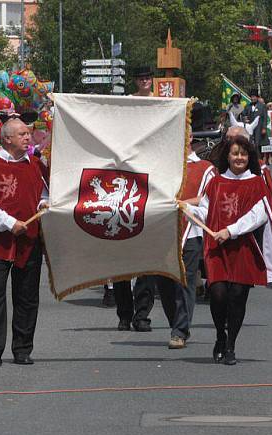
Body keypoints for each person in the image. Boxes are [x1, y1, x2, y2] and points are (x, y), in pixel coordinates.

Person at [184, 136, 272, 365]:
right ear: (227, 156)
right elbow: (206, 213)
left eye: (243, 153)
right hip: (217, 248)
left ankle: (230, 345)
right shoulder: (216, 182)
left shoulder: (257, 183)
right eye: (235, 153)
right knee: (219, 294)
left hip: (243, 247)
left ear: (248, 157)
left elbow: (257, 216)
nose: (239, 158)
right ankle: (220, 335)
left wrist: (230, 231)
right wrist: (187, 209)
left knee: (238, 296)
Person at [0, 119, 49, 367]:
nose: (28, 138)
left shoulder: (36, 165)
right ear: (7, 138)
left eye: (28, 134)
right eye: (22, 134)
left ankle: (23, 348)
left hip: (29, 239)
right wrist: (8, 222)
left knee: (27, 296)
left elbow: (44, 194)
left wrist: (43, 205)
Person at [111, 66, 157, 331]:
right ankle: (124, 314)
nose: (144, 81)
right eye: (140, 78)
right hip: (124, 186)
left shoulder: (160, 105)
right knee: (120, 261)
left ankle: (142, 315)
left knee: (146, 262)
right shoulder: (127, 105)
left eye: (147, 78)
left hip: (150, 186)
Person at [156, 149, 216, 349]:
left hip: (190, 232)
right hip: (162, 231)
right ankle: (177, 323)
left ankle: (179, 330)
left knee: (185, 280)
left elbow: (209, 200)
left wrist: (184, 204)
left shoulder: (205, 168)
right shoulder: (159, 165)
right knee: (164, 282)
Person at [243, 89, 269, 153]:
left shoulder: (262, 106)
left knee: (258, 144)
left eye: (254, 97)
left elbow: (265, 118)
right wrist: (244, 119)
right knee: (250, 143)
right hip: (250, 128)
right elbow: (243, 115)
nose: (253, 98)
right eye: (251, 97)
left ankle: (259, 159)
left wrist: (264, 128)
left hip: (259, 127)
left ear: (257, 97)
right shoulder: (247, 106)